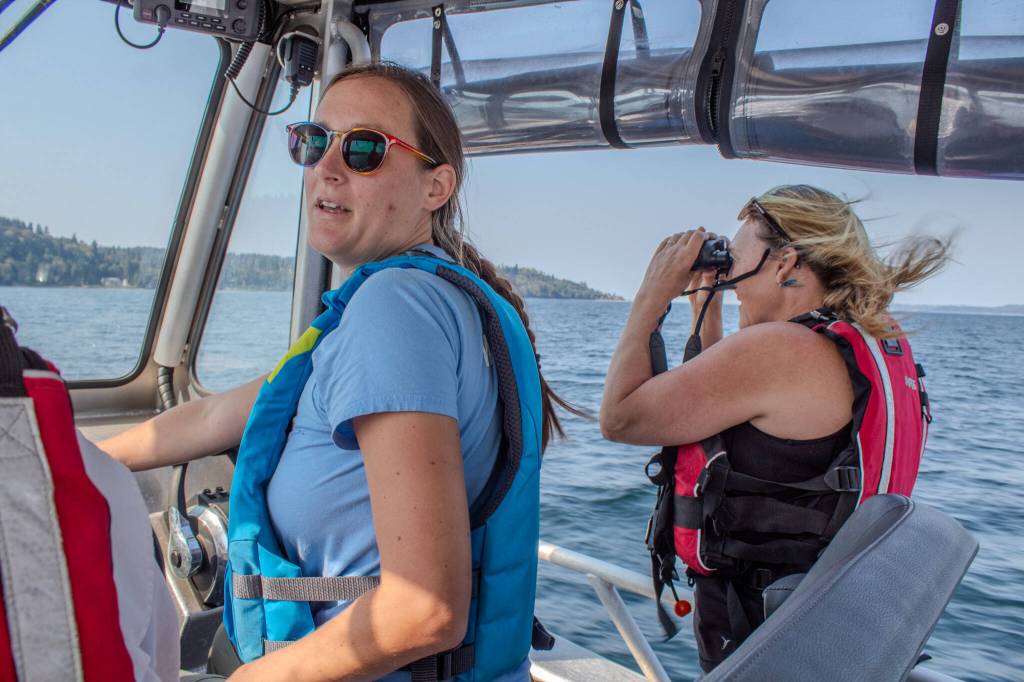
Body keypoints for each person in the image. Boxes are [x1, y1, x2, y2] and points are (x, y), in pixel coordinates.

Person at [100, 62, 574, 681]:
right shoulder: (427, 303)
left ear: (436, 187)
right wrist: (70, 456)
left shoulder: (395, 309)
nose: (326, 165)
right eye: (314, 141)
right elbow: (217, 415)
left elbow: (423, 609)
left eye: (364, 149)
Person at [599, 185, 947, 671]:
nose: (730, 279)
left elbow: (620, 417)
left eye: (735, 262)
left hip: (766, 640)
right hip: (832, 629)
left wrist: (650, 295)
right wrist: (707, 308)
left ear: (785, 265)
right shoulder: (866, 344)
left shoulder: (783, 350)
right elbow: (717, 411)